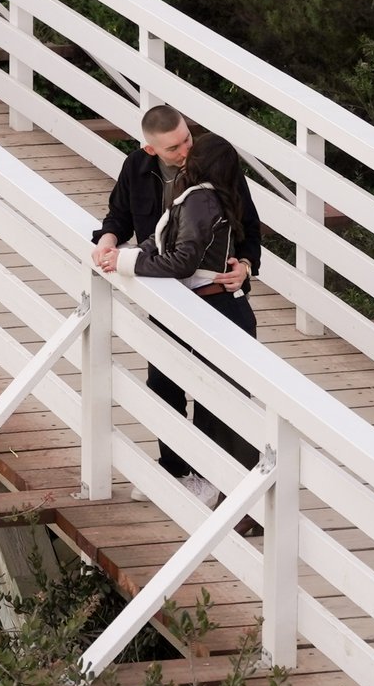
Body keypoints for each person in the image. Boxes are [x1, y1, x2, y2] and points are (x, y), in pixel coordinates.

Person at [90, 107, 263, 498]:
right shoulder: (136, 167)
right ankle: (174, 469)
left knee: (213, 388)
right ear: (150, 148)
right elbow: (123, 218)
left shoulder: (212, 164)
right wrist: (108, 240)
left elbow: (248, 224)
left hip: (215, 294)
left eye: (187, 138)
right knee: (163, 382)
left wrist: (247, 266)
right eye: (174, 147)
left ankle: (215, 480)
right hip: (168, 296)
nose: (186, 150)